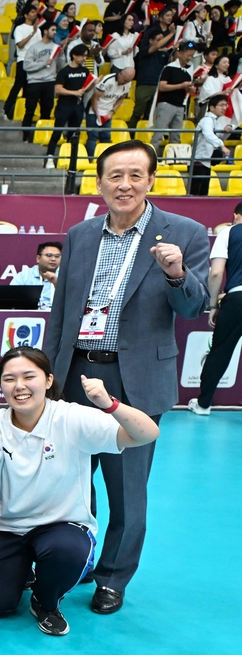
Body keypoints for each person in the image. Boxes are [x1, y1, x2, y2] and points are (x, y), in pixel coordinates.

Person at [43, 139, 209, 614]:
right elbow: (62, 311)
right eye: (115, 175)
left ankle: (113, 576)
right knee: (72, 479)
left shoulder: (185, 233)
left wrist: (176, 273)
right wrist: (50, 373)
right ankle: (75, 558)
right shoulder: (81, 234)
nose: (125, 184)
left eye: (136, 175)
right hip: (76, 372)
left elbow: (194, 306)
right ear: (99, 183)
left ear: (151, 180)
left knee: (127, 489)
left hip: (135, 379)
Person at [0, 348, 159, 635]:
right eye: (9, 379)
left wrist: (109, 404)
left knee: (67, 552)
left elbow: (147, 433)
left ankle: (45, 601)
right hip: (6, 526)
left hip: (60, 526)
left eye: (28, 376)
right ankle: (22, 569)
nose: (19, 386)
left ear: (48, 380)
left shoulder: (71, 417)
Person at [191, 202, 242, 414]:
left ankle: (203, 405)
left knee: (220, 352)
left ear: (236, 215)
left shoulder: (229, 232)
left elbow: (216, 273)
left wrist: (213, 305)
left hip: (237, 298)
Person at [46, 43, 92, 183]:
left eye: (86, 56)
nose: (84, 58)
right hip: (64, 105)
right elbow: (58, 89)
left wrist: (95, 83)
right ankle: (49, 157)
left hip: (78, 106)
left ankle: (71, 161)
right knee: (57, 131)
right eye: (82, 55)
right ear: (74, 55)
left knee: (74, 134)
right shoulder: (64, 71)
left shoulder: (85, 71)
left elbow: (87, 88)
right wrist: (74, 92)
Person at [130, 8, 177, 132]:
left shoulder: (163, 53)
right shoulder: (145, 50)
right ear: (151, 40)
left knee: (150, 115)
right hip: (144, 84)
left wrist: (176, 48)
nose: (160, 43)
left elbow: (172, 62)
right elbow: (156, 46)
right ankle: (130, 134)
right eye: (158, 40)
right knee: (137, 112)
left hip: (158, 85)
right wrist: (171, 34)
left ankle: (144, 136)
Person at [152, 41, 199, 151]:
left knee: (176, 136)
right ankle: (151, 155)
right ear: (180, 53)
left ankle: (173, 158)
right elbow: (162, 86)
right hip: (166, 104)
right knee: (158, 134)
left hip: (180, 105)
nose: (189, 58)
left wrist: (190, 89)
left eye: (192, 56)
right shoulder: (169, 68)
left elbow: (186, 88)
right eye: (188, 55)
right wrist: (181, 85)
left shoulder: (188, 70)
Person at [22, 20, 59, 142]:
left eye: (55, 30)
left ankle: (43, 137)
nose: (55, 32)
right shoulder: (34, 47)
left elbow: (61, 66)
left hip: (49, 81)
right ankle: (25, 136)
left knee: (47, 111)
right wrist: (43, 64)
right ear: (45, 31)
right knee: (30, 110)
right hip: (34, 82)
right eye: (52, 30)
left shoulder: (56, 47)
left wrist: (61, 55)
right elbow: (26, 66)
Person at [4, 3, 42, 122]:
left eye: (35, 12)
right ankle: (6, 110)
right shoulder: (19, 28)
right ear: (26, 15)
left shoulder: (38, 30)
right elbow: (20, 44)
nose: (35, 14)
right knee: (18, 86)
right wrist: (32, 33)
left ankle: (25, 114)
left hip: (35, 62)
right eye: (32, 12)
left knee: (30, 89)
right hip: (23, 60)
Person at [86, 67, 134, 158]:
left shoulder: (128, 83)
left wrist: (111, 112)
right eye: (124, 80)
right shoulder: (107, 80)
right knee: (93, 137)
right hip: (94, 111)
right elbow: (94, 98)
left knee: (106, 137)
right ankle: (90, 160)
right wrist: (98, 115)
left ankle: (106, 159)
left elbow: (121, 98)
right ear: (120, 74)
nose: (124, 82)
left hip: (108, 113)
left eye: (127, 81)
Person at [192, 94, 230, 196]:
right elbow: (208, 134)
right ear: (212, 107)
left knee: (203, 194)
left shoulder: (216, 121)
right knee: (195, 194)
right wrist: (222, 146)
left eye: (225, 105)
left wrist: (228, 129)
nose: (224, 108)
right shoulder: (207, 120)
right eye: (221, 105)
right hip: (198, 161)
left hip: (206, 162)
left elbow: (218, 137)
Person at [9, 241, 63, 309]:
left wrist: (56, 283)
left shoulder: (66, 277)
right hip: (29, 314)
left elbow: (72, 301)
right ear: (38, 258)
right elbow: (10, 301)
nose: (53, 259)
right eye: (49, 255)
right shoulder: (23, 276)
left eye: (57, 256)